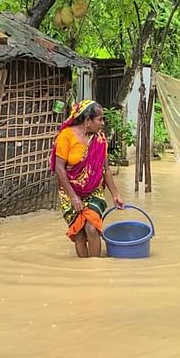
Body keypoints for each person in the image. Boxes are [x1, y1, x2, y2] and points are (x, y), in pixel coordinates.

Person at [50, 100, 124, 257]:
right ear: (87, 121)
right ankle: (84, 273)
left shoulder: (100, 139)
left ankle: (95, 269)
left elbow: (105, 169)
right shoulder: (66, 136)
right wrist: (74, 197)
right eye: (100, 119)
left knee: (91, 228)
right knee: (79, 234)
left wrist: (116, 194)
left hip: (94, 190)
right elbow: (59, 168)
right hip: (69, 191)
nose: (102, 123)